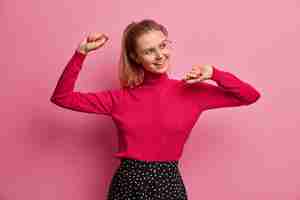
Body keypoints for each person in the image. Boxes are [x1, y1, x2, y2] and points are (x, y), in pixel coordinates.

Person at [50, 19, 261, 200]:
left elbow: (250, 96)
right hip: (128, 185)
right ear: (135, 57)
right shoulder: (119, 99)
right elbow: (62, 98)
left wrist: (215, 73)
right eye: (149, 51)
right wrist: (80, 54)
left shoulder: (192, 92)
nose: (160, 55)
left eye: (163, 45)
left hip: (169, 184)